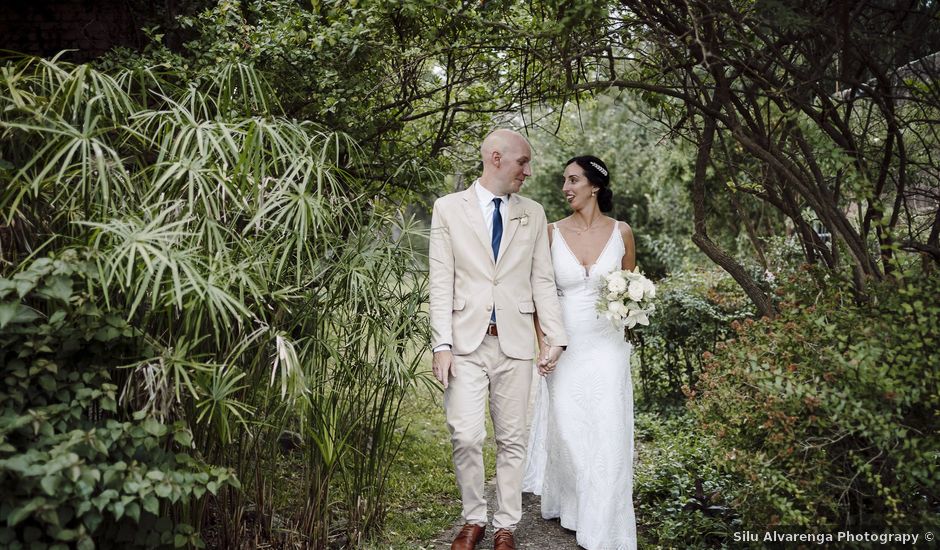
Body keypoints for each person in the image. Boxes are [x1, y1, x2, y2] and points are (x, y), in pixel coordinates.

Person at [429, 129, 568, 550]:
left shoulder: (534, 212)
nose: (528, 171)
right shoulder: (448, 209)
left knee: (513, 438)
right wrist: (441, 344)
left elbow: (542, 278)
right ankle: (473, 518)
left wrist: (554, 337)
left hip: (515, 342)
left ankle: (505, 525)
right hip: (465, 341)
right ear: (495, 158)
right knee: (466, 435)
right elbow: (440, 280)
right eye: (522, 162)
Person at [523, 155, 638, 550]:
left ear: (595, 186)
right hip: (564, 343)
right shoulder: (551, 232)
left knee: (607, 431)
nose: (565, 188)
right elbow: (539, 294)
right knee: (570, 429)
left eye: (573, 180)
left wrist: (635, 309)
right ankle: (572, 503)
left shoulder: (622, 232)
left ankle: (602, 522)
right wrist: (546, 343)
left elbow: (628, 288)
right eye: (564, 181)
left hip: (608, 344)